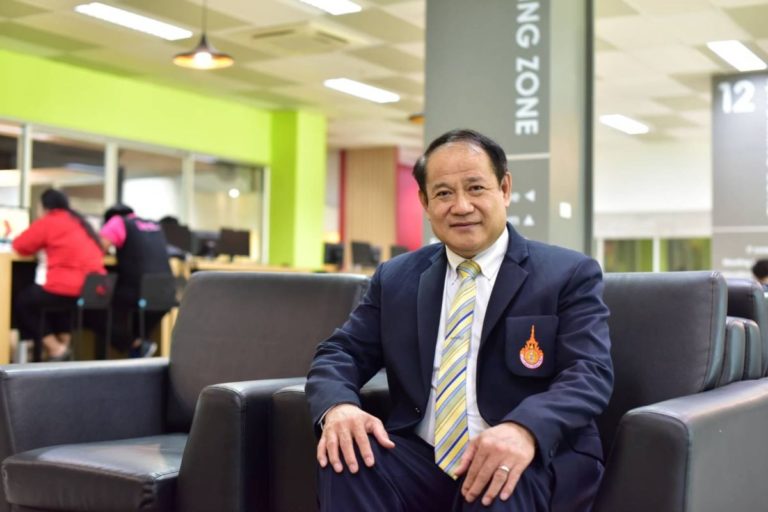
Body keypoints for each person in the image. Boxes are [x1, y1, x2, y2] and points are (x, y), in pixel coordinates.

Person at [306, 129, 614, 511]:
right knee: (346, 457)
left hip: (529, 453)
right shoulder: (396, 278)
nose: (461, 206)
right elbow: (341, 352)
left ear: (504, 189)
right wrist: (338, 407)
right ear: (425, 202)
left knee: (498, 478)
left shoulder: (567, 273)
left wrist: (524, 428)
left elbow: (589, 372)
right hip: (422, 456)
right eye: (443, 193)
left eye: (475, 188)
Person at [12, 188, 106, 361]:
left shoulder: (50, 221)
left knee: (24, 302)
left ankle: (56, 350)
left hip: (68, 287)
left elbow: (20, 246)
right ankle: (65, 346)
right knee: (59, 304)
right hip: (93, 289)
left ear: (44, 207)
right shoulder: (80, 222)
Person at [99, 204, 173, 357]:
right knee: (137, 325)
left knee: (97, 311)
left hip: (137, 293)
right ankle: (138, 348)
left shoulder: (118, 221)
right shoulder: (154, 225)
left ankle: (136, 345)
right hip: (166, 295)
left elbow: (97, 247)